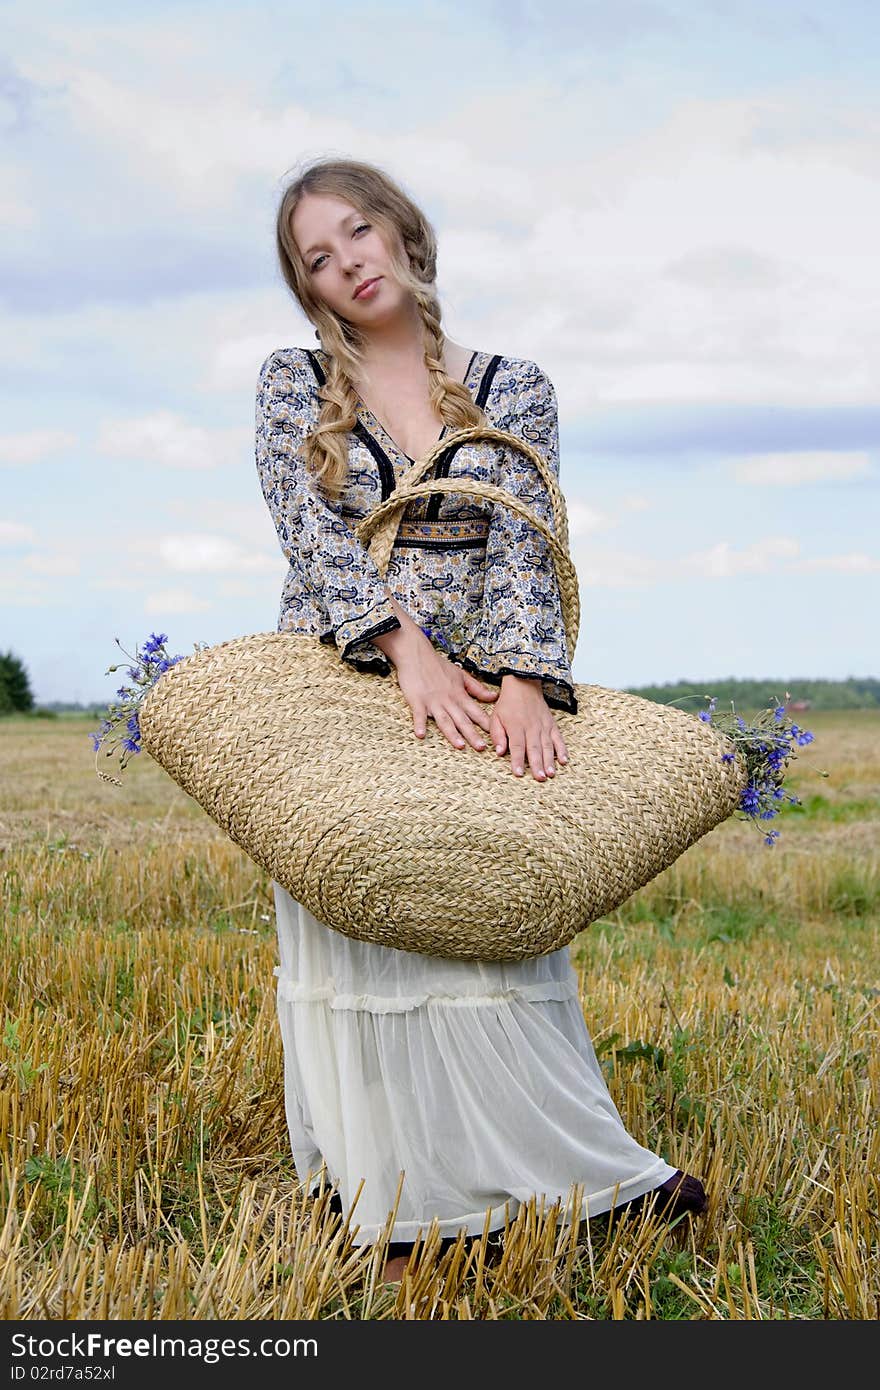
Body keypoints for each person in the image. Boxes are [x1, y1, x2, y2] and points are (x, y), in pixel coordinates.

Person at [254, 156, 707, 1285]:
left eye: (358, 230)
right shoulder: (289, 381)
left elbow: (527, 535)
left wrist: (517, 679)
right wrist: (403, 648)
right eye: (318, 255)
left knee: (492, 923)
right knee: (366, 923)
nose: (347, 259)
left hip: (484, 679)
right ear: (307, 288)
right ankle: (397, 1210)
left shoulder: (517, 383)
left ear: (403, 231)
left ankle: (582, 1182)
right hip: (346, 676)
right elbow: (305, 533)